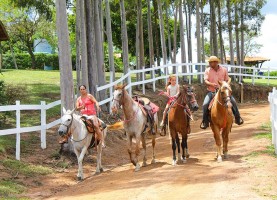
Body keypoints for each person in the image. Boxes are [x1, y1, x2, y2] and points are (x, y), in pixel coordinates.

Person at [200, 56, 244, 129]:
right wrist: (211, 84)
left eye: (211, 62)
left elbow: (227, 80)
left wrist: (225, 85)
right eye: (209, 62)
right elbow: (205, 80)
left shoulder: (224, 70)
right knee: (205, 104)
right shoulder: (207, 70)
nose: (210, 64)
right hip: (212, 91)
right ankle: (205, 121)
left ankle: (237, 118)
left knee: (233, 102)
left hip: (223, 92)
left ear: (216, 62)